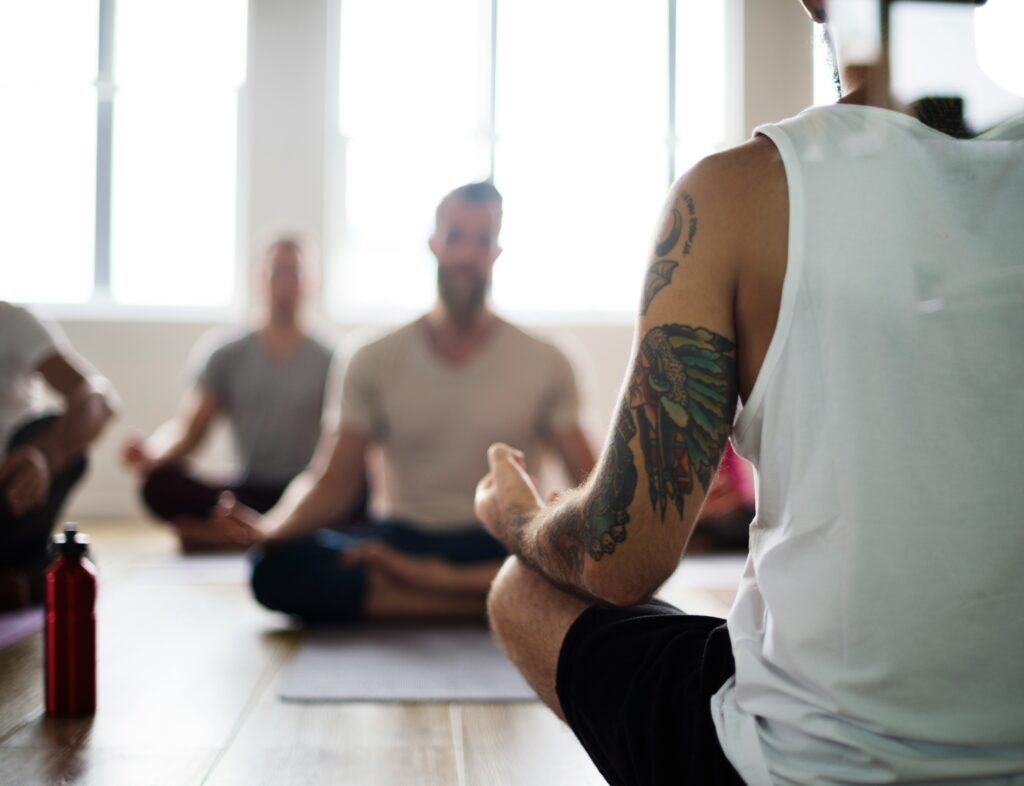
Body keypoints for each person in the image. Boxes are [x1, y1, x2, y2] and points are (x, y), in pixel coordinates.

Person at [474, 2, 1024, 784]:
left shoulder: (733, 194)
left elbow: (618, 562)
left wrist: (517, 515)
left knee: (521, 588)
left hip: (800, 764)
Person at [229, 181, 596, 623]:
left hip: (501, 541)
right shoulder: (372, 357)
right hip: (403, 538)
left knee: (589, 565)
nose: (467, 254)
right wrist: (271, 528)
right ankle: (491, 602)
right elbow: (330, 480)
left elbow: (590, 480)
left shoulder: (547, 359)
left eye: (482, 240)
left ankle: (417, 589)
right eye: (456, 237)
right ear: (434, 244)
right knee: (273, 568)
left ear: (496, 251)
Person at [121, 238, 341, 552]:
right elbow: (189, 432)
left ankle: (228, 536)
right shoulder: (226, 353)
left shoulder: (333, 358)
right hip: (246, 491)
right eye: (277, 272)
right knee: (157, 484)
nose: (285, 283)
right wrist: (153, 453)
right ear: (259, 277)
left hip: (306, 492)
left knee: (359, 496)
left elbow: (345, 451)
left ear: (312, 281)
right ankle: (263, 532)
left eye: (295, 273)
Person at [0, 303, 117, 610]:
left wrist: (42, 456)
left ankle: (25, 577)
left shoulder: (14, 322)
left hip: (9, 500)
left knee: (56, 431)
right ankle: (30, 576)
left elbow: (98, 399)